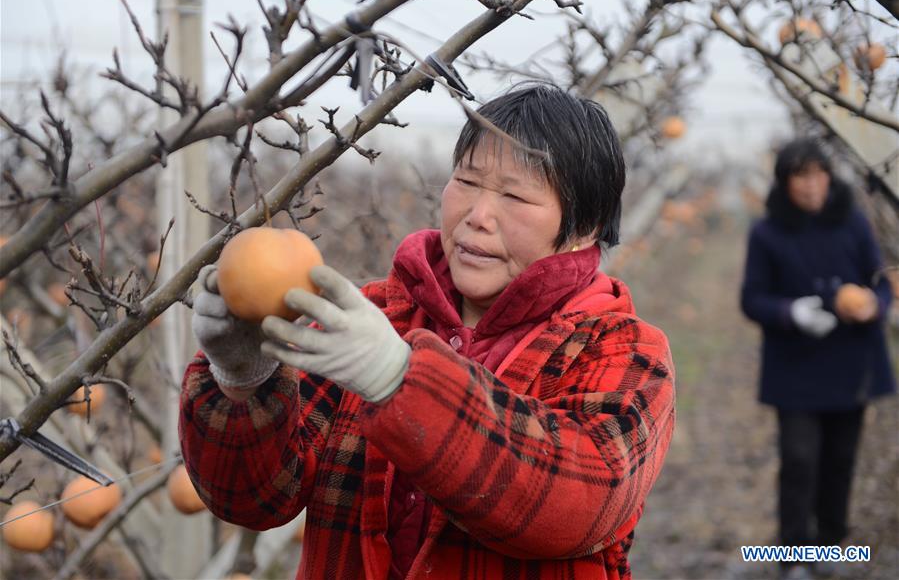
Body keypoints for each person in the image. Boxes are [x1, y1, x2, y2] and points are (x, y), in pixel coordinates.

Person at [180, 84, 675, 579]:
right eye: (466, 181)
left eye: (514, 195)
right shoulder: (373, 318)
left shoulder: (622, 351)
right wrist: (244, 383)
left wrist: (401, 380)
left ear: (585, 226)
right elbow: (254, 499)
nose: (477, 217)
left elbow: (576, 505)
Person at [740, 138, 896, 580]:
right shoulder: (767, 233)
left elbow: (882, 283)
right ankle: (792, 557)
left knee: (841, 459)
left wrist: (874, 304)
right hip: (797, 365)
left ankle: (832, 547)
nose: (811, 186)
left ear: (830, 177)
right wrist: (791, 312)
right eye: (800, 177)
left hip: (851, 360)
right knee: (799, 458)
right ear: (785, 182)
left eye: (818, 175)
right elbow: (752, 299)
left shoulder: (854, 223)